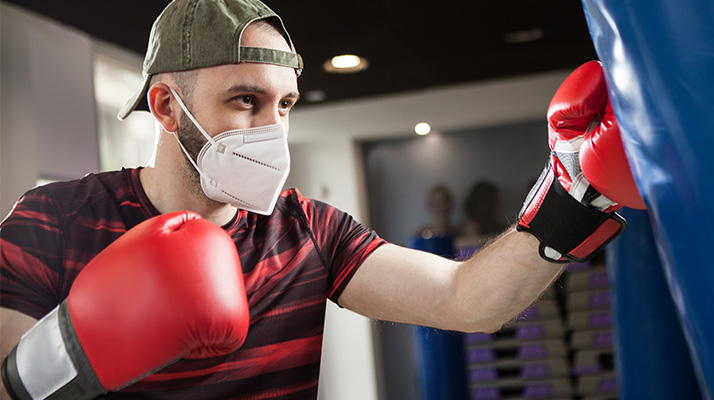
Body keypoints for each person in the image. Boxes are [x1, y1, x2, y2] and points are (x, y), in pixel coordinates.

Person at [0, 1, 643, 399]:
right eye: (245, 100)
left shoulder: (307, 229)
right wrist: (81, 346)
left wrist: (572, 193)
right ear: (168, 107)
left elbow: (464, 300)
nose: (272, 129)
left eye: (284, 105)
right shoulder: (53, 219)